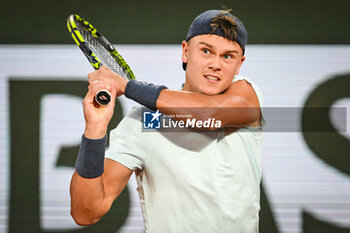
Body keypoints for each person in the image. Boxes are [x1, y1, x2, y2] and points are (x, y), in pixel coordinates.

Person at [70, 9, 264, 233]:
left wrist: (127, 87)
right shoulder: (144, 122)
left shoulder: (247, 95)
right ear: (185, 52)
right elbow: (85, 212)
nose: (216, 64)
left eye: (228, 56)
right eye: (206, 51)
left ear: (239, 64)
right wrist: (95, 129)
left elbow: (212, 115)